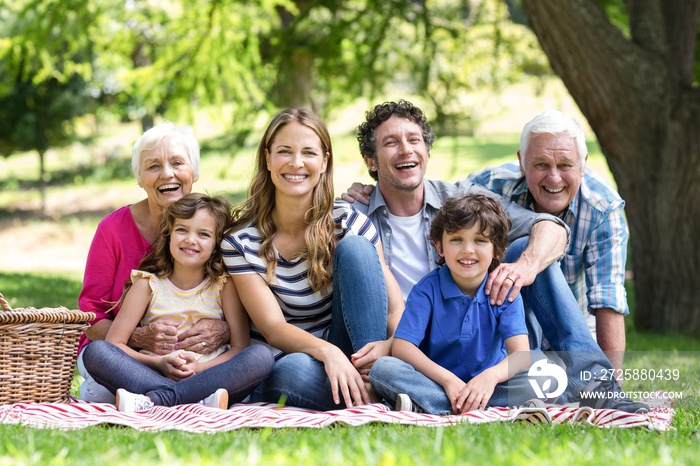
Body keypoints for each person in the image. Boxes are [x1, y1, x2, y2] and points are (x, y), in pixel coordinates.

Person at [344, 100, 648, 413]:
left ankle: (596, 386)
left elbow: (550, 230)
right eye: (391, 143)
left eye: (414, 140)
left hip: (487, 358)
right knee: (386, 370)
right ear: (371, 160)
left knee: (527, 254)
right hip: (414, 355)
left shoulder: (461, 200)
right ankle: (450, 400)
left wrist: (525, 267)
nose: (406, 150)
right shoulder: (355, 215)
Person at [221, 108, 405, 411]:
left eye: (308, 152)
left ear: (324, 162)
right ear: (267, 159)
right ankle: (377, 398)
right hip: (289, 360)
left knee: (357, 248)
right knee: (292, 370)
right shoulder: (240, 242)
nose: (296, 163)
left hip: (350, 352)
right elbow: (273, 328)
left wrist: (387, 346)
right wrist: (328, 353)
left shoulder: (349, 222)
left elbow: (395, 308)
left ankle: (371, 382)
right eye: (284, 152)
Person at [77, 123, 229, 403]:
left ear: (194, 172)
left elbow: (240, 303)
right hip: (127, 356)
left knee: (258, 358)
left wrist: (226, 329)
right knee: (99, 370)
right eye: (153, 166)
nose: (167, 174)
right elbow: (91, 316)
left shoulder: (217, 229)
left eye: (177, 163)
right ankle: (187, 397)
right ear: (139, 178)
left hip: (201, 360)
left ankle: (153, 397)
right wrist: (138, 337)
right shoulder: (112, 230)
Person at [82, 193, 274, 412]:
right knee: (96, 352)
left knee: (261, 357)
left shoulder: (224, 286)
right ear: (169, 234)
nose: (190, 240)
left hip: (207, 377)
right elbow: (115, 344)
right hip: (151, 374)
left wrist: (200, 367)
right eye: (182, 230)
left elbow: (240, 348)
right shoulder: (146, 284)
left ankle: (157, 400)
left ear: (216, 243)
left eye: (203, 234)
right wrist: (159, 363)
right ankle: (191, 400)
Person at [467, 110, 627, 372]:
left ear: (583, 163)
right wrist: (379, 190)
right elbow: (436, 203)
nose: (554, 178)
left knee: (573, 384)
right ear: (522, 162)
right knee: (521, 246)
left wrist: (612, 388)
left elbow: (607, 296)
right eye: (541, 164)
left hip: (569, 327)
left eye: (565, 165)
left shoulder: (602, 209)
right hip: (504, 324)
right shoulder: (492, 186)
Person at [370, 194, 537, 414]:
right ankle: (462, 404)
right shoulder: (427, 289)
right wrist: (448, 381)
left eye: (480, 240)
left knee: (540, 372)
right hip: (437, 381)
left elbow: (520, 354)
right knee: (383, 368)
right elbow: (402, 347)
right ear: (440, 247)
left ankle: (435, 405)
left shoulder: (504, 291)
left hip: (489, 384)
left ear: (497, 249)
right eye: (457, 239)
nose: (468, 250)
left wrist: (490, 377)